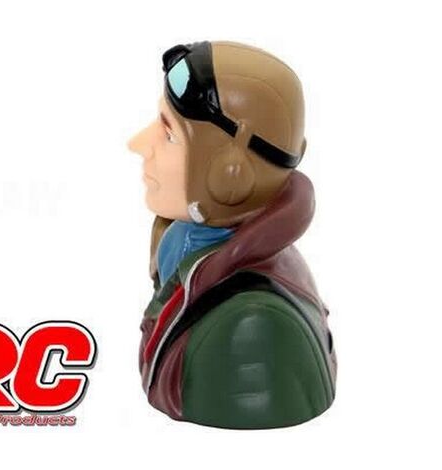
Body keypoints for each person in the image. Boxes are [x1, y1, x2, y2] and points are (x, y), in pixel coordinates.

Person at [128, 40, 337, 429]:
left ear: (229, 174)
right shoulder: (186, 247)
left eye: (169, 135)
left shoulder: (251, 326)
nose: (138, 144)